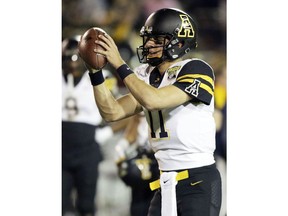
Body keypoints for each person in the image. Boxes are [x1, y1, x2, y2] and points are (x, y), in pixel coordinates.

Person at [83, 8, 222, 216]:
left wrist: (120, 63)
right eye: (147, 39)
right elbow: (112, 112)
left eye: (157, 40)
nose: (148, 44)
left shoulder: (196, 69)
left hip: (197, 181)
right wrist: (95, 72)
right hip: (164, 180)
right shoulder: (146, 75)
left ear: (179, 42)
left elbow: (153, 100)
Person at [62, 36, 114, 216]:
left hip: (87, 148)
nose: (72, 65)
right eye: (66, 58)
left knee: (86, 205)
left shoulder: (101, 78)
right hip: (60, 150)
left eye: (75, 59)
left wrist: (104, 133)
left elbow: (123, 111)